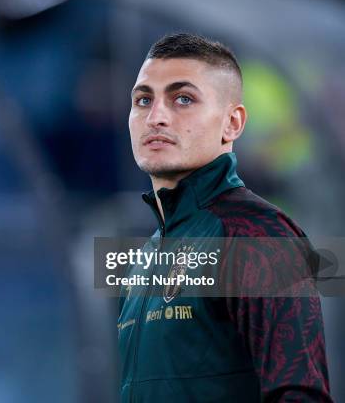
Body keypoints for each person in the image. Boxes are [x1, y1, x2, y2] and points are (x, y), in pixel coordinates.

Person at [118, 33, 332, 402]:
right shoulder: (148, 254)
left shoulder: (257, 235)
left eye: (183, 99)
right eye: (143, 100)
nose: (156, 117)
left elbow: (300, 394)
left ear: (232, 123)